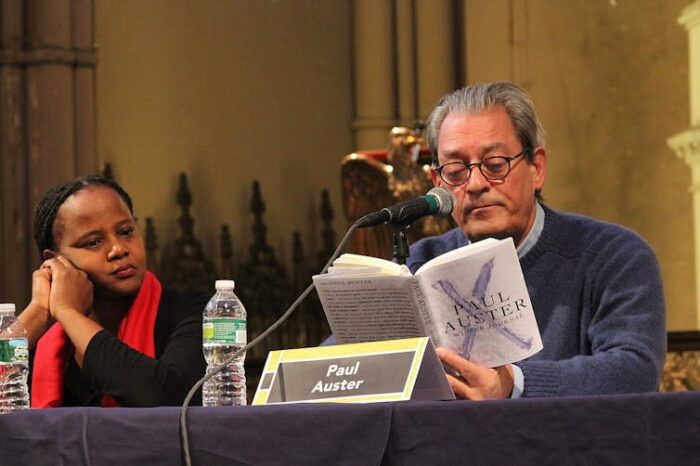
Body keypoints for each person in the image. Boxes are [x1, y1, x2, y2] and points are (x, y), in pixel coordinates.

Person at [408, 81, 666, 399]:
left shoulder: (614, 256)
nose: (474, 184)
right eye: (456, 170)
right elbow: (339, 368)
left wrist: (514, 384)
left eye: (494, 165)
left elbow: (634, 373)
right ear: (437, 183)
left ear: (536, 168)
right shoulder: (419, 263)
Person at [19, 175, 208, 407]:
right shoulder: (35, 341)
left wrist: (69, 314)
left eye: (126, 231)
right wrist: (38, 312)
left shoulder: (195, 311)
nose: (118, 249)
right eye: (93, 242)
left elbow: (169, 396)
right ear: (55, 261)